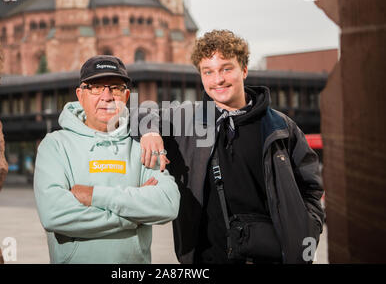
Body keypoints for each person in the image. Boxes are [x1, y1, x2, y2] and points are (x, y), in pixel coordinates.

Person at [139, 30, 325, 264]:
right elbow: (138, 113)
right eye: (208, 72)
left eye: (226, 69)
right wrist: (151, 131)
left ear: (244, 70)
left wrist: (307, 232)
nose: (218, 80)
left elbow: (311, 189)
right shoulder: (186, 120)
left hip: (272, 257)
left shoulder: (280, 126)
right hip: (206, 259)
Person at [33, 55, 180, 264]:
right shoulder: (55, 145)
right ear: (80, 95)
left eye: (116, 88)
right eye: (96, 87)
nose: (107, 96)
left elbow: (167, 204)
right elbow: (53, 214)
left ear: (126, 95)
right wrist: (135, 215)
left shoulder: (143, 144)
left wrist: (94, 195)